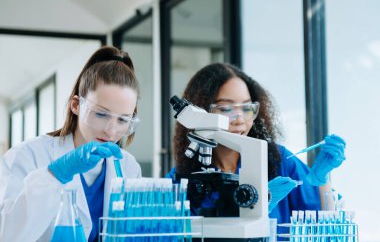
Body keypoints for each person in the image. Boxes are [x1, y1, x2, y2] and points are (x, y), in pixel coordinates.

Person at [167, 63, 346, 230]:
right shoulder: (181, 179)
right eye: (226, 109)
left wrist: (321, 180)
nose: (239, 119)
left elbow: (325, 225)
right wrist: (259, 206)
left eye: (247, 108)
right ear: (202, 111)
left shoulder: (278, 160)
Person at [0, 46, 142, 242]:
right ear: (76, 105)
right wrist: (54, 175)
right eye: (101, 114)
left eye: (123, 120)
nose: (111, 131)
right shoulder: (28, 155)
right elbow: (6, 233)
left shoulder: (128, 166)